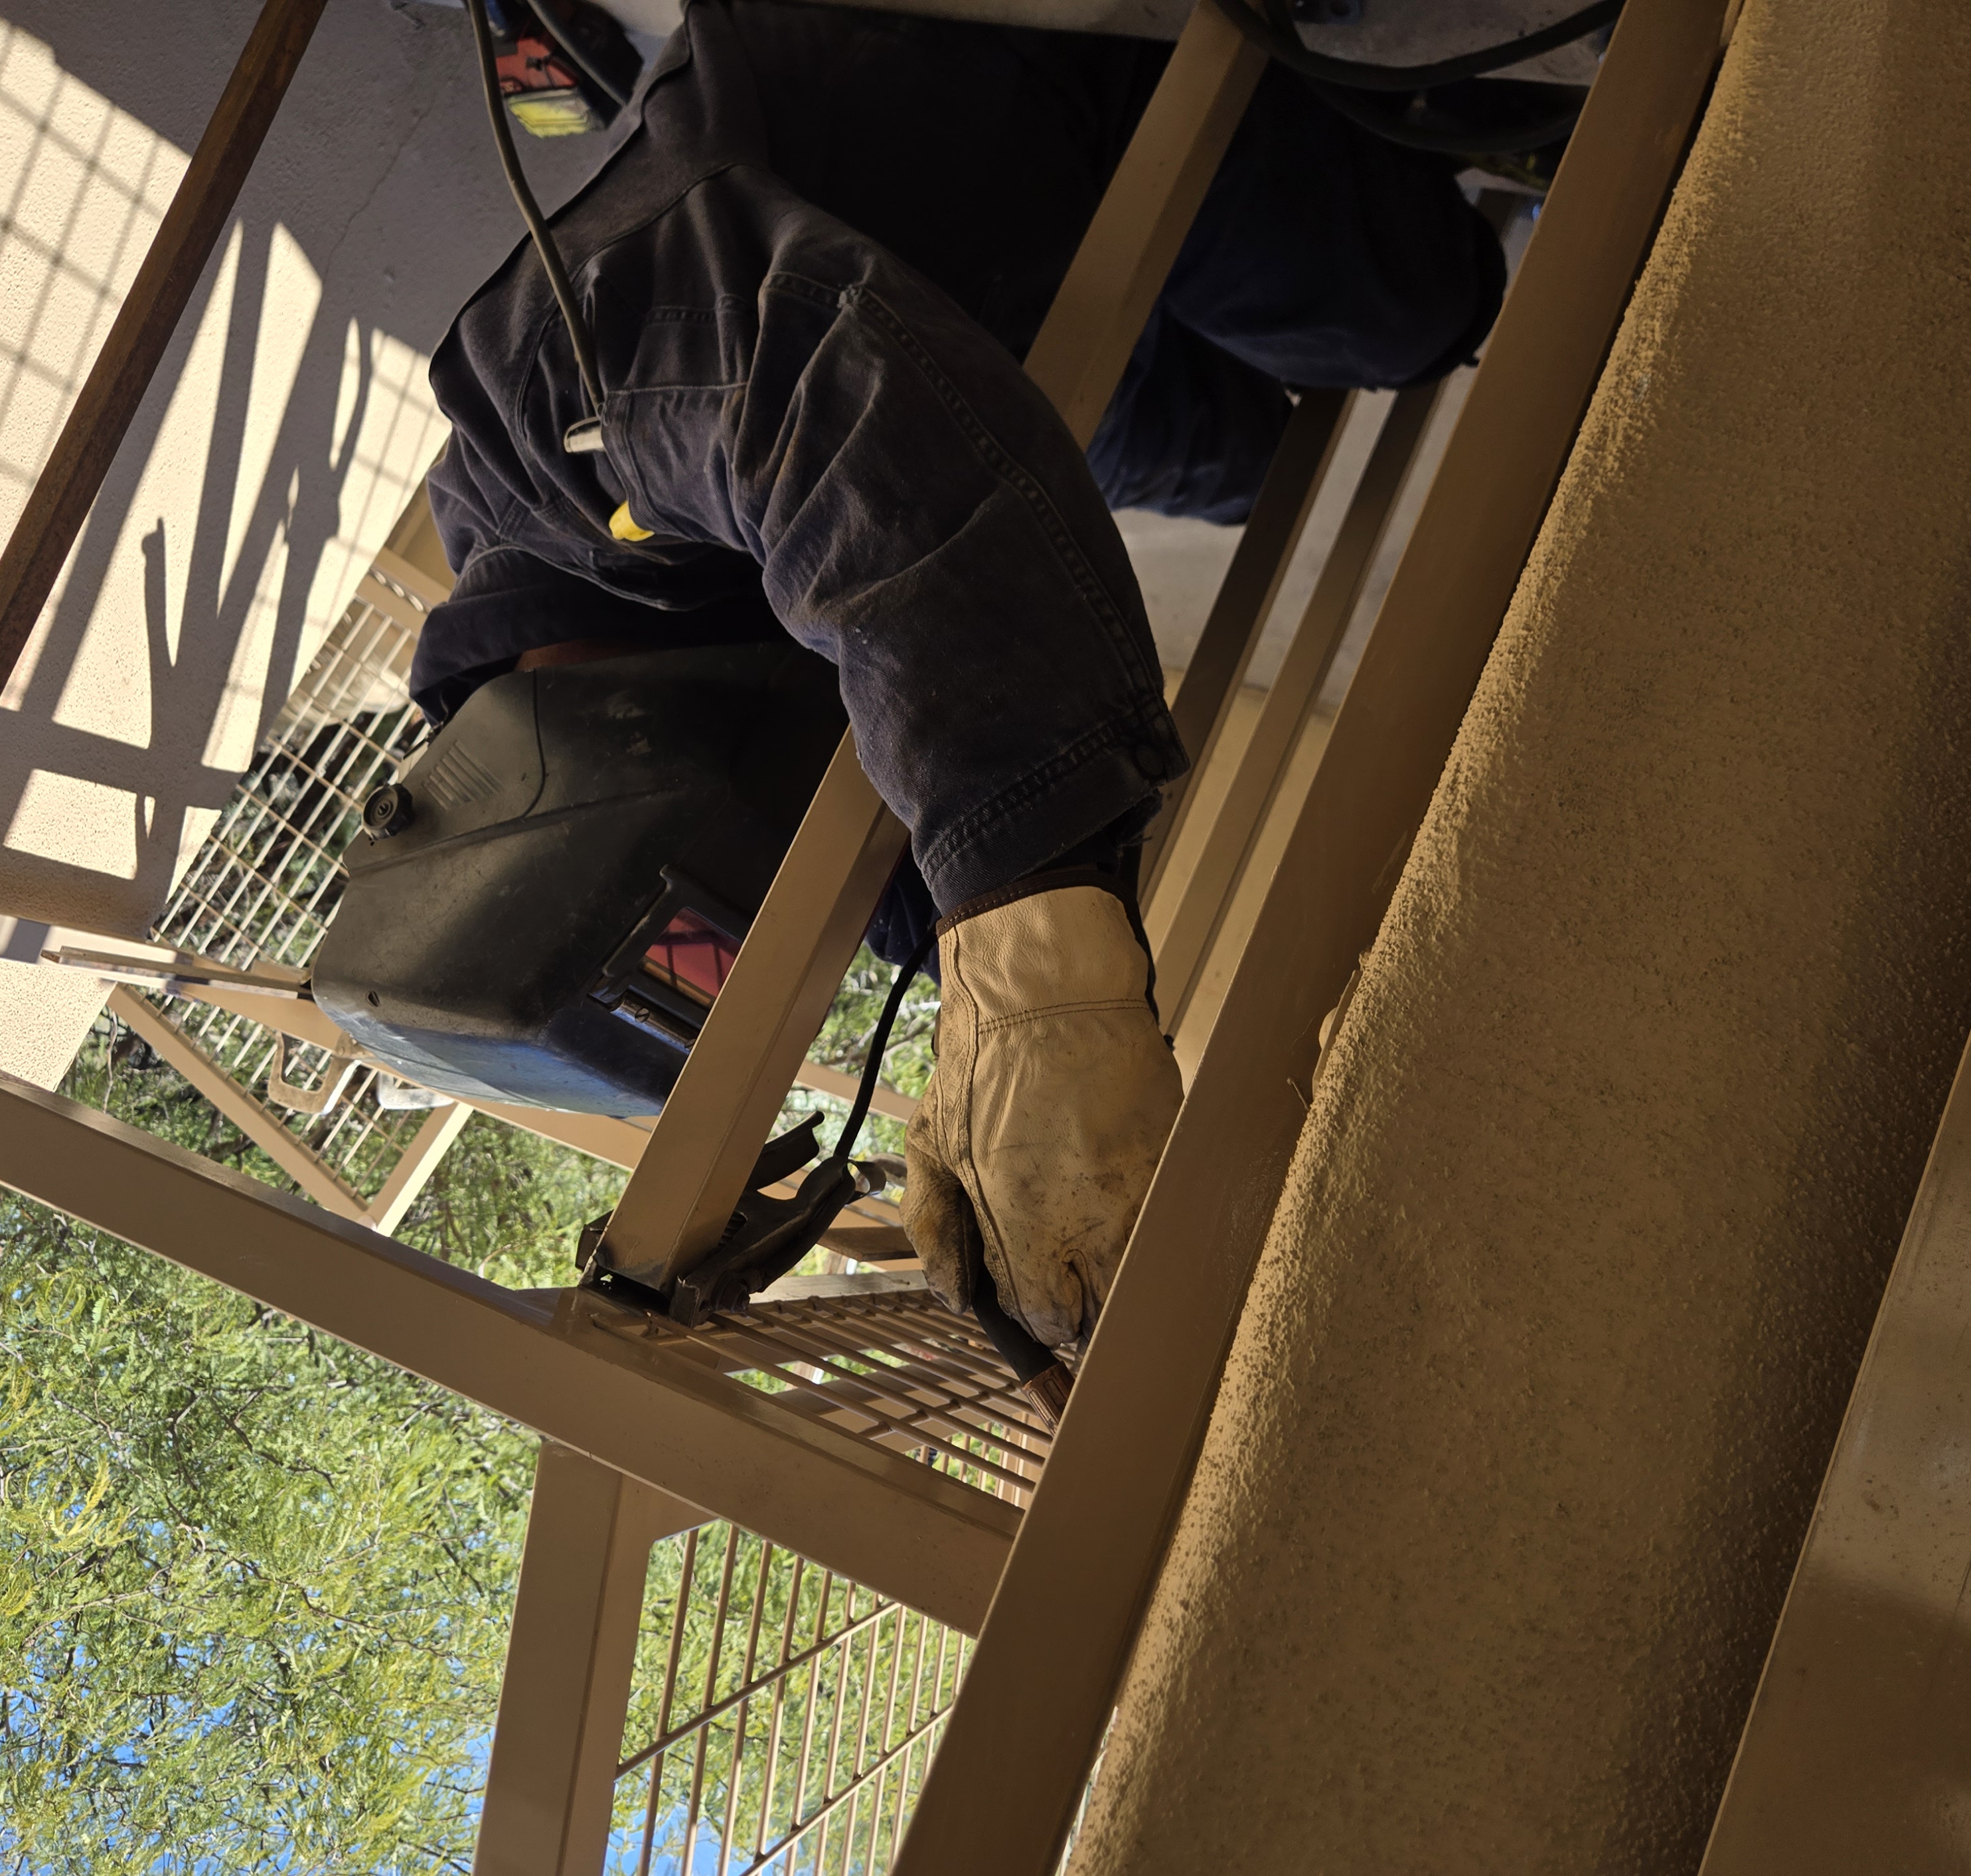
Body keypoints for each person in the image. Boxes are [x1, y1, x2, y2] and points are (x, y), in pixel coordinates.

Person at [410, 0, 1505, 1361]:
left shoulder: (541, 424)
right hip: (992, 316)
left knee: (1414, 310)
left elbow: (817, 396)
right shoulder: (685, 701)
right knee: (1244, 456)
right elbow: (899, 851)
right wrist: (973, 1049)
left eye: (717, 923)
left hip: (997, 77)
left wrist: (1030, 943)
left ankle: (1433, 155)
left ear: (571, 800)